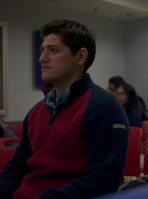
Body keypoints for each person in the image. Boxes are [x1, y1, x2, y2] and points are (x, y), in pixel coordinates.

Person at [0, 19, 129, 199]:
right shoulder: (36, 112)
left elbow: (102, 181)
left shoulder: (104, 108)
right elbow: (16, 169)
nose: (42, 58)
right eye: (42, 50)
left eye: (53, 50)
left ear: (81, 56)